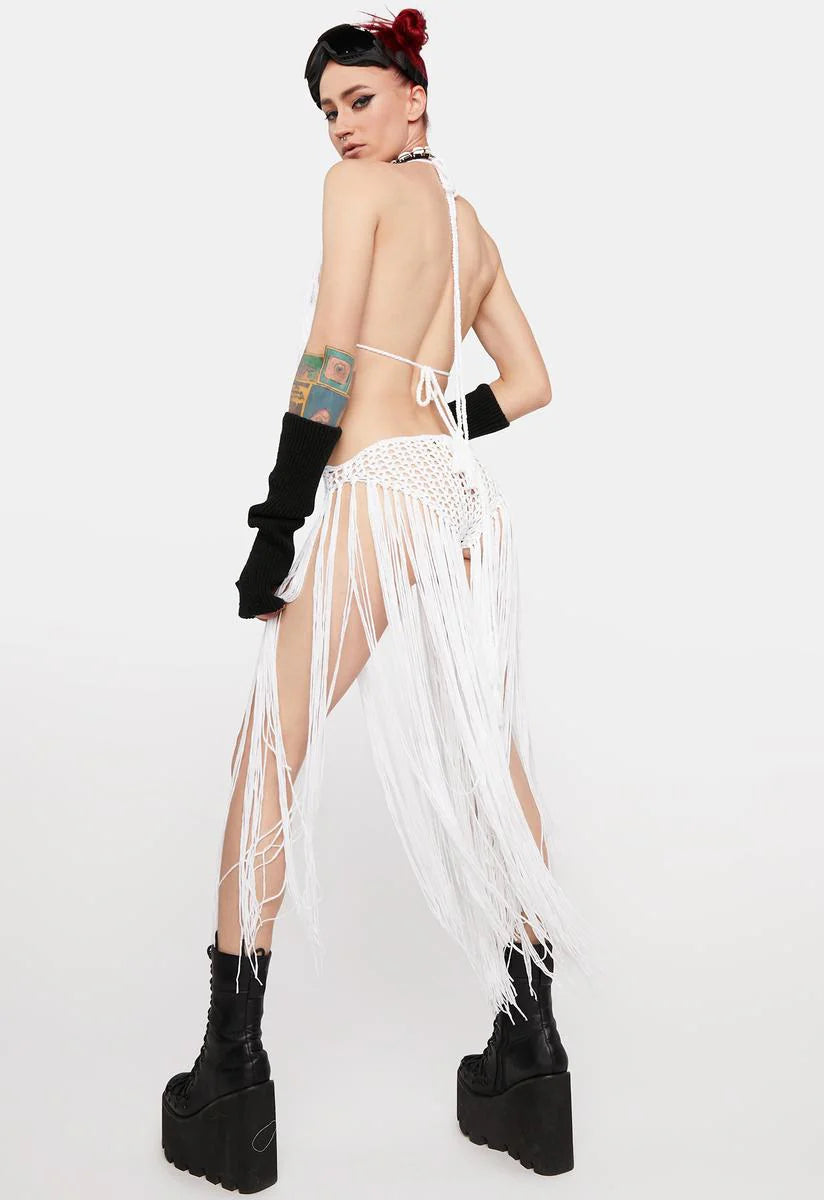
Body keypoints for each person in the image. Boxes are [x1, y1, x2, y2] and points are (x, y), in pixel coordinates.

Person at [161, 8, 591, 1189]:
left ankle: (229, 1070)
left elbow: (329, 356)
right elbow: (531, 383)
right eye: (327, 111)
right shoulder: (468, 225)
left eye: (358, 100)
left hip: (377, 491)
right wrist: (440, 429)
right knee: (491, 762)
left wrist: (276, 521)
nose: (341, 127)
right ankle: (531, 1053)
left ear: (415, 98)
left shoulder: (355, 194)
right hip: (459, 502)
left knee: (270, 747)